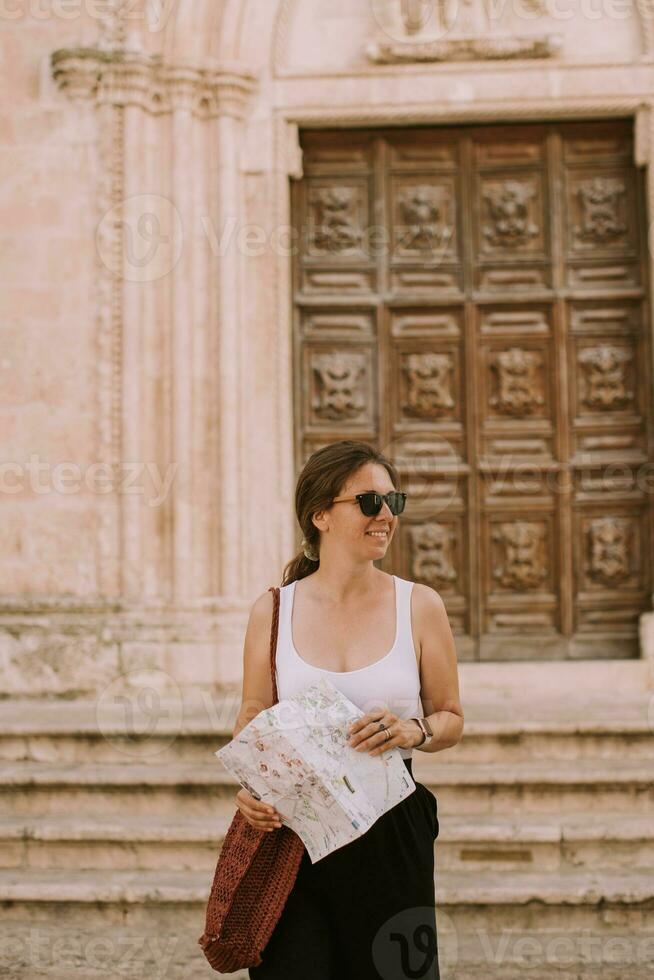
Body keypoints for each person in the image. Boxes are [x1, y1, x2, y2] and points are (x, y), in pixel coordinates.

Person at [231, 439, 464, 980]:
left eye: (393, 501)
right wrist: (249, 788)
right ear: (320, 515)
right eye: (367, 502)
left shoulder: (420, 604)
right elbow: (253, 714)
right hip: (293, 831)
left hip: (391, 828)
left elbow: (451, 716)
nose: (385, 516)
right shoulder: (272, 608)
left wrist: (414, 729)